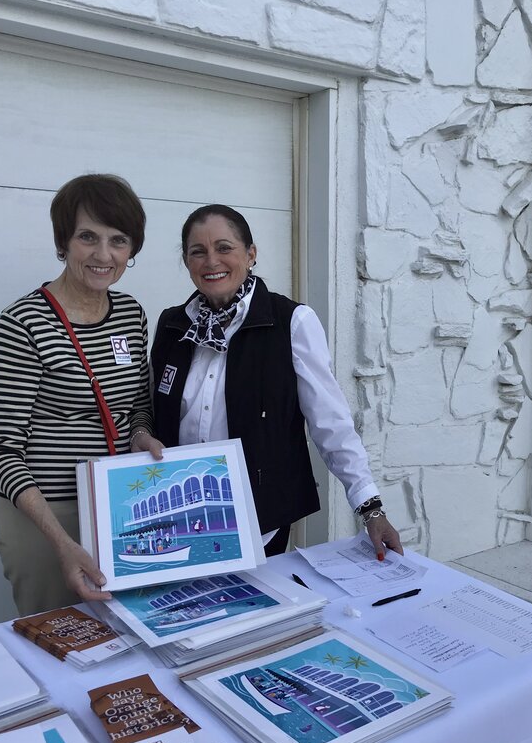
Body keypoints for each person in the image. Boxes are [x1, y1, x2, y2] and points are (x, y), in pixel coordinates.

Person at [149, 204, 402, 559]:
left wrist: (370, 507)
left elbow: (330, 424)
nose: (211, 261)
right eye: (197, 251)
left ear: (250, 254)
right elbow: (154, 415)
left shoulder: (291, 322)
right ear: (187, 261)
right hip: (180, 520)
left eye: (224, 248)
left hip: (259, 521)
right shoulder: (173, 325)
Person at [0, 174, 165, 615]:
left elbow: (137, 403)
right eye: (88, 237)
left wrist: (140, 434)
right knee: (66, 638)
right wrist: (62, 542)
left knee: (132, 631)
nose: (104, 255)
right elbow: (1, 450)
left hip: (120, 504)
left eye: (118, 240)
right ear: (63, 241)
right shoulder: (21, 324)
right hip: (48, 516)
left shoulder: (129, 313)